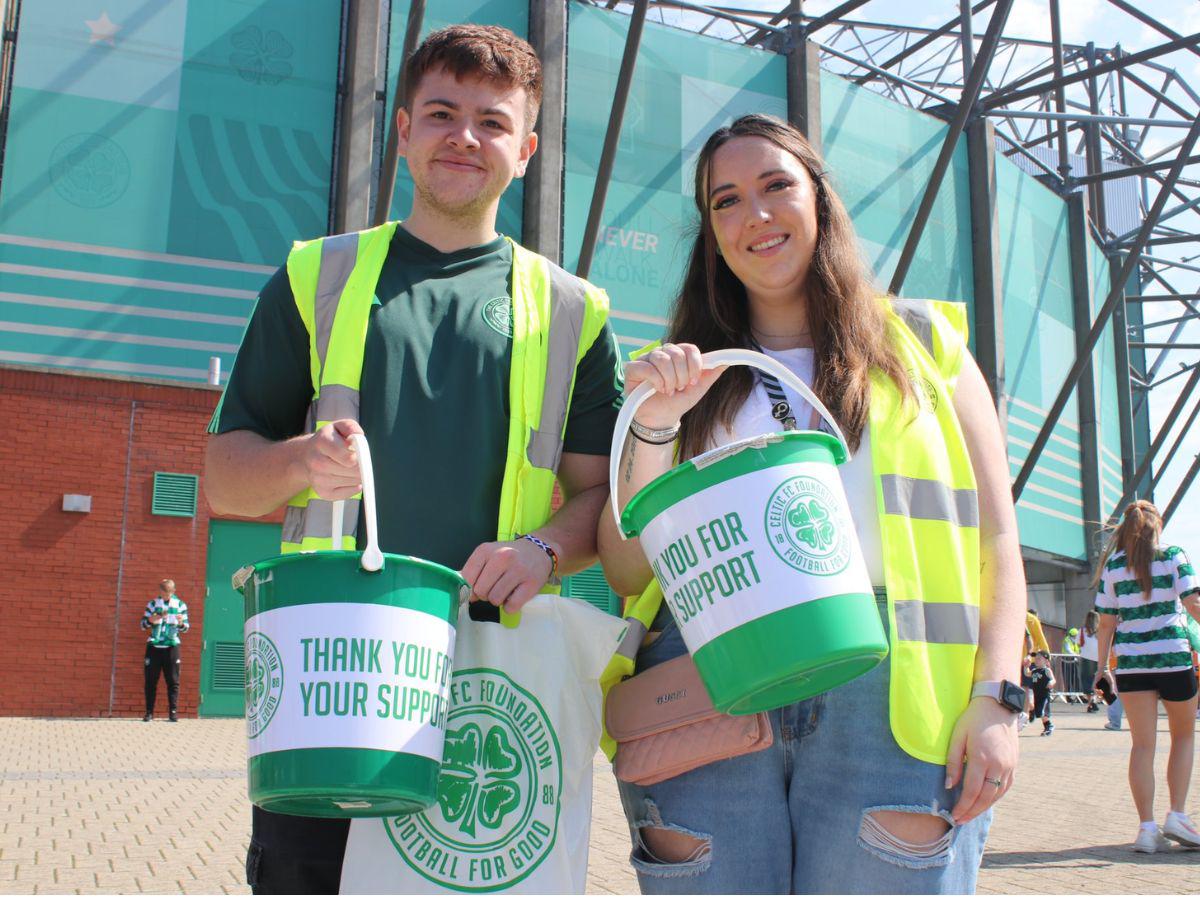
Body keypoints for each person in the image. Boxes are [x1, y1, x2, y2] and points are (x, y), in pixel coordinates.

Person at [203, 25, 623, 894]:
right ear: (402, 132)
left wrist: (542, 551)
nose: (464, 137)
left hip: (491, 688)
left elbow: (601, 504)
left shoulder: (574, 312)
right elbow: (224, 481)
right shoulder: (315, 277)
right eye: (440, 113)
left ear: (526, 151)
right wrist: (300, 462)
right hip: (332, 680)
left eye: (492, 122)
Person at [597, 114, 1026, 893]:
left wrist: (998, 697)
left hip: (893, 701)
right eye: (726, 201)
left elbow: (998, 537)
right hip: (713, 676)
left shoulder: (926, 346)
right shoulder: (681, 376)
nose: (755, 215)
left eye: (776, 186)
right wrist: (655, 425)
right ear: (710, 233)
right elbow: (627, 570)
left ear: (820, 199)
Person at [1091, 500, 1200, 852]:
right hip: (1172, 659)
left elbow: (1106, 623)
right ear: (1158, 525)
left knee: (1142, 745)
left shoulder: (1114, 566)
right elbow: (1193, 604)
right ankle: (1178, 814)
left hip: (1132, 664)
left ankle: (1147, 829)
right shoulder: (1174, 556)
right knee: (1183, 736)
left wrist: (1101, 668)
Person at [140, 578, 188, 722]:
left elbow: (185, 628)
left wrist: (180, 623)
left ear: (174, 591)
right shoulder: (152, 604)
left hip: (172, 647)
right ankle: (149, 713)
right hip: (154, 647)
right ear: (160, 591)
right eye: (164, 593)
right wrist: (150, 620)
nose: (166, 596)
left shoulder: (180, 605)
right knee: (150, 681)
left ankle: (173, 712)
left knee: (173, 681)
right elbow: (142, 625)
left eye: (169, 593)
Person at [1078, 610, 1102, 711]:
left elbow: (1078, 643)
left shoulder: (1082, 631)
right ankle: (1094, 700)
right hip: (1098, 658)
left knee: (1086, 680)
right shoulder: (1100, 631)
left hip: (1086, 658)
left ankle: (1090, 702)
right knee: (1097, 680)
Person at [1029, 649, 1055, 736]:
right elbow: (1026, 673)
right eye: (1036, 658)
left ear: (1046, 661)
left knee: (1041, 712)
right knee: (1038, 712)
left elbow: (1053, 679)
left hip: (1044, 695)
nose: (1036, 660)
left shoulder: (1046, 670)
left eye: (1039, 659)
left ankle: (1049, 726)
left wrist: (1051, 682)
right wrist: (1026, 666)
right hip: (1036, 694)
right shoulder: (1034, 671)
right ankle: (1047, 726)